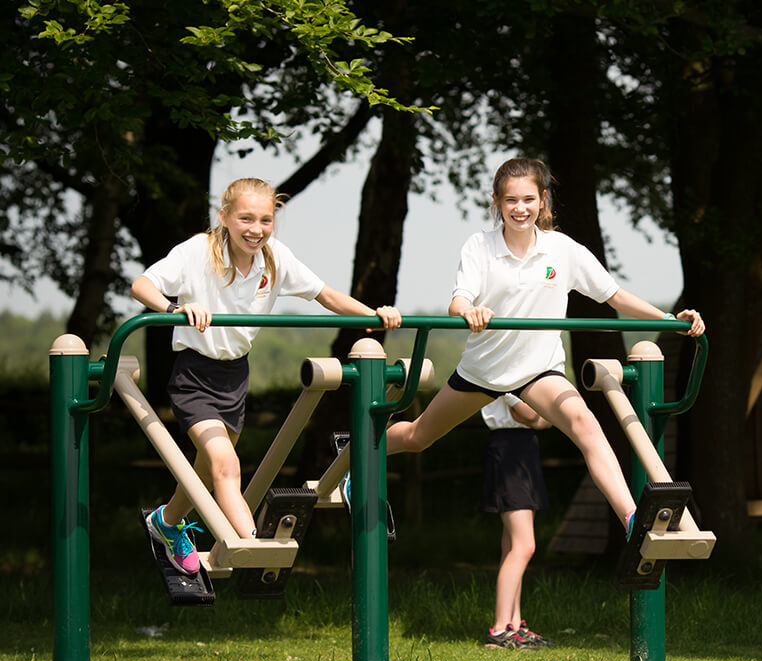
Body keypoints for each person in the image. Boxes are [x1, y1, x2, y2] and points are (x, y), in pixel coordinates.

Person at [382, 157, 704, 539]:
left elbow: (613, 295)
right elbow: (458, 302)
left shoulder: (561, 250)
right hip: (484, 370)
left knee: (586, 425)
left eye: (528, 199)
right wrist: (471, 311)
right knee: (419, 436)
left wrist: (668, 320)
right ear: (496, 202)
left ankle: (632, 518)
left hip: (538, 371)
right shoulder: (480, 246)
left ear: (543, 200)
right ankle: (355, 452)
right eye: (511, 200)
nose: (520, 209)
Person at [131, 177, 401, 576]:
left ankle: (166, 523)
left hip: (234, 375)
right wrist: (173, 308)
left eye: (265, 220)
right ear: (224, 217)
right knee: (226, 465)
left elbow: (325, 295)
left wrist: (374, 315)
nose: (256, 229)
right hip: (194, 372)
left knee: (207, 469)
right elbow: (142, 284)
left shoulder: (274, 257)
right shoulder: (198, 252)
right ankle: (250, 543)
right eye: (245, 219)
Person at [480, 394, 552, 650]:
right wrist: (540, 416)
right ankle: (500, 629)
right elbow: (532, 415)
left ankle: (513, 625)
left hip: (523, 448)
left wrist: (540, 417)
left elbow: (544, 419)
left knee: (513, 546)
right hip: (509, 449)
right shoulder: (506, 374)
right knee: (524, 546)